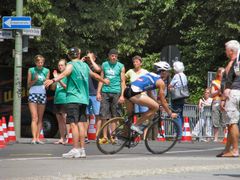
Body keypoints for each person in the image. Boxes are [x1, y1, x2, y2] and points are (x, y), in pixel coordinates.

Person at [44, 47, 109, 158]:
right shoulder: (85, 66)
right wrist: (104, 81)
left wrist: (53, 80)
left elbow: (64, 74)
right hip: (84, 99)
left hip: (73, 99)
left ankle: (75, 149)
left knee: (73, 124)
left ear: (69, 56)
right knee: (81, 124)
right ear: (79, 55)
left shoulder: (70, 65)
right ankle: (82, 149)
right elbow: (95, 75)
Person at [124, 61, 178, 134]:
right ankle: (136, 125)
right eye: (167, 72)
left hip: (127, 90)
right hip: (134, 92)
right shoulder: (161, 82)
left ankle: (125, 135)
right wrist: (170, 113)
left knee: (130, 115)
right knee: (155, 107)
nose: (168, 74)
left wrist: (156, 102)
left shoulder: (150, 75)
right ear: (163, 72)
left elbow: (149, 94)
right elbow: (163, 100)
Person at [96, 49, 125, 144]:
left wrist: (122, 95)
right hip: (105, 91)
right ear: (109, 56)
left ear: (117, 56)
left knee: (114, 115)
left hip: (116, 92)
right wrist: (98, 92)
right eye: (112, 55)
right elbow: (101, 78)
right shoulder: (104, 64)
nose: (114, 57)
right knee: (104, 115)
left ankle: (113, 136)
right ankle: (104, 137)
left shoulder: (121, 66)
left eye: (115, 56)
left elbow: (122, 81)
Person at [217, 40, 240, 157]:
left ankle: (235, 150)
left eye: (226, 50)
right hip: (237, 92)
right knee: (231, 123)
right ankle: (227, 149)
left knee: (232, 123)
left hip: (234, 92)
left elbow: (228, 82)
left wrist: (223, 99)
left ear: (231, 51)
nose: (225, 52)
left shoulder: (233, 63)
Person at [27, 55, 50, 144]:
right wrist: (35, 80)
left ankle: (38, 138)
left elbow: (47, 86)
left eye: (42, 62)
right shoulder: (31, 70)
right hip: (33, 93)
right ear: (35, 62)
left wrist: (46, 82)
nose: (40, 64)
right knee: (34, 117)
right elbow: (28, 85)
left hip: (42, 93)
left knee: (40, 118)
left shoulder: (47, 71)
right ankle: (33, 138)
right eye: (38, 62)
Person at [82, 51, 102, 142]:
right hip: (86, 94)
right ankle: (85, 136)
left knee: (97, 115)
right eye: (88, 57)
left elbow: (98, 70)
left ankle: (97, 136)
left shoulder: (96, 66)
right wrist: (81, 61)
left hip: (95, 94)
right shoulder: (84, 66)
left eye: (90, 57)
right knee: (86, 115)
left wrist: (91, 60)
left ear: (94, 58)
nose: (88, 59)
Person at [168, 61, 188, 138]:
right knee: (181, 114)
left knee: (176, 115)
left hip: (176, 97)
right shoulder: (184, 75)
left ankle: (179, 134)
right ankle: (181, 132)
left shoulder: (176, 76)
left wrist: (171, 89)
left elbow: (170, 86)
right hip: (183, 96)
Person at [51, 59, 68, 145]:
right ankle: (62, 138)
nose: (60, 67)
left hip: (64, 99)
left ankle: (69, 137)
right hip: (57, 99)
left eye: (62, 65)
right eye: (59, 65)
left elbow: (66, 87)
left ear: (65, 66)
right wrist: (55, 78)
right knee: (60, 120)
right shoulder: (58, 75)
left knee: (65, 120)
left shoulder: (67, 75)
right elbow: (53, 88)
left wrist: (58, 79)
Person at [210, 67, 225, 142]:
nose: (224, 74)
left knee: (224, 120)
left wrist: (219, 88)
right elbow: (212, 94)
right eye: (222, 73)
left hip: (224, 101)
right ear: (219, 73)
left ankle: (225, 137)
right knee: (215, 119)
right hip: (216, 101)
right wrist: (219, 90)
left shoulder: (226, 81)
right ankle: (215, 138)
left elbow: (224, 91)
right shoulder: (215, 81)